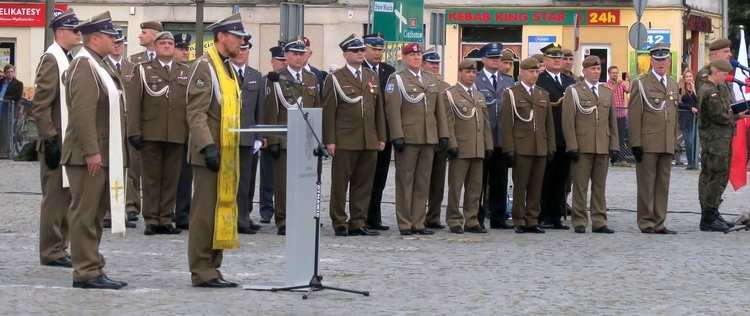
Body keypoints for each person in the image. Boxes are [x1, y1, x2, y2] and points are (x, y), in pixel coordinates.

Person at [63, 11, 128, 289]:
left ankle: (93, 265)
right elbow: (81, 113)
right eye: (110, 36)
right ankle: (85, 271)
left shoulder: (98, 64)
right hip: (87, 155)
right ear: (95, 38)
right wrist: (91, 151)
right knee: (84, 214)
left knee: (95, 214)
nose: (115, 41)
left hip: (102, 153)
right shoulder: (84, 65)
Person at [186, 12, 248, 288]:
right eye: (237, 37)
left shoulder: (228, 67)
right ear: (221, 36)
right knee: (203, 214)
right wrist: (208, 146)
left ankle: (213, 266)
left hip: (227, 152)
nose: (241, 42)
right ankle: (201, 269)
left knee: (222, 208)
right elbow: (196, 112)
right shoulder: (204, 65)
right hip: (209, 153)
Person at [322, 34, 386, 237]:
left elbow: (378, 110)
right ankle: (339, 222)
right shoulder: (335, 78)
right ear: (345, 54)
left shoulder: (371, 76)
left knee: (364, 184)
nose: (360, 53)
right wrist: (330, 140)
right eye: (355, 51)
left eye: (361, 50)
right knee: (341, 184)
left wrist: (381, 136)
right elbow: (329, 111)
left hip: (369, 138)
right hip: (345, 138)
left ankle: (358, 221)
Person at [31, 8, 81, 269]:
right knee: (54, 198)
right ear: (60, 33)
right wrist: (49, 139)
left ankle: (61, 246)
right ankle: (51, 250)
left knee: (67, 197)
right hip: (55, 139)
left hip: (67, 139)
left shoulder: (68, 57)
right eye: (74, 30)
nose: (79, 34)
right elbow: (40, 105)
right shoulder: (52, 59)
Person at [127, 31, 188, 236]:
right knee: (152, 179)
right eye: (163, 43)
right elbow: (134, 103)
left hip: (177, 132)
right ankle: (152, 219)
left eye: (171, 43)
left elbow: (190, 105)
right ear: (155, 46)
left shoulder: (184, 71)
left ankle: (166, 218)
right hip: (151, 132)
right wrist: (133, 131)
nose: (168, 46)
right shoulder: (143, 70)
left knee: (171, 179)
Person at [385, 42, 449, 236]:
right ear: (403, 58)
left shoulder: (430, 79)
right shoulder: (397, 79)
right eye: (412, 55)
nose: (416, 57)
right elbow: (393, 109)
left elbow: (440, 110)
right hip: (409, 136)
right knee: (406, 181)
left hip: (429, 137)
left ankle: (419, 222)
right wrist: (397, 135)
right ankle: (405, 223)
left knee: (423, 182)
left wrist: (443, 133)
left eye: (419, 55)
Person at [264, 39, 322, 236]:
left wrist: (317, 139)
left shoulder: (312, 78)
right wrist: (272, 139)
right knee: (283, 184)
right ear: (286, 57)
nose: (298, 57)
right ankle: (284, 220)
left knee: (307, 181)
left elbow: (316, 109)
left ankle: (304, 217)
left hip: (306, 139)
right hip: (285, 139)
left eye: (301, 53)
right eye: (294, 54)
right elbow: (271, 110)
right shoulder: (277, 78)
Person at [562, 56, 619, 234]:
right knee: (580, 185)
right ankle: (579, 220)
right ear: (584, 71)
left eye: (598, 69)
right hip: (583, 145)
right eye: (592, 69)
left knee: (600, 186)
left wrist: (614, 146)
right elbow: (568, 122)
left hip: (602, 144)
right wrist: (572, 146)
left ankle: (599, 220)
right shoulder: (574, 91)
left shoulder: (606, 92)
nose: (596, 72)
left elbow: (612, 122)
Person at [628, 43, 680, 234]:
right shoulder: (641, 84)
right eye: (657, 59)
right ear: (651, 61)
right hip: (648, 142)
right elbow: (634, 115)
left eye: (664, 59)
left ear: (669, 61)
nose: (661, 63)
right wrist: (635, 143)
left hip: (666, 141)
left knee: (663, 184)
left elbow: (673, 115)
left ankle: (660, 221)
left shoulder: (673, 84)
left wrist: (675, 141)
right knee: (646, 184)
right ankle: (646, 221)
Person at [500, 57, 556, 234]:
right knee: (521, 185)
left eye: (536, 72)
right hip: (521, 146)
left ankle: (532, 219)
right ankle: (519, 219)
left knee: (536, 186)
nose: (534, 75)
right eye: (531, 72)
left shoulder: (542, 94)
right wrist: (509, 148)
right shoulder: (511, 93)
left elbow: (549, 124)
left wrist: (551, 147)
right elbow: (506, 123)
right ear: (522, 73)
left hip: (540, 146)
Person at [443, 59, 492, 234]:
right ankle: (454, 219)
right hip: (461, 148)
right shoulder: (450, 94)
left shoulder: (478, 96)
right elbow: (448, 122)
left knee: (475, 187)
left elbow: (485, 123)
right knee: (456, 187)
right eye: (468, 72)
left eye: (474, 73)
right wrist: (451, 144)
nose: (472, 75)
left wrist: (488, 145)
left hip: (478, 147)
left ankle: (471, 220)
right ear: (460, 73)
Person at [697, 59, 746, 232]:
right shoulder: (710, 91)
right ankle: (709, 216)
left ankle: (712, 212)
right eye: (724, 75)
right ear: (716, 72)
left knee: (717, 175)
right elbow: (719, 117)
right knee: (717, 176)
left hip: (719, 139)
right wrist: (739, 116)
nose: (725, 78)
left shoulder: (713, 89)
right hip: (715, 140)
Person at [475, 43, 514, 229]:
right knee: (479, 181)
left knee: (500, 179)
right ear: (483, 60)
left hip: (500, 138)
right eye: (492, 58)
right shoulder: (476, 79)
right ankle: (477, 217)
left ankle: (498, 217)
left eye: (498, 58)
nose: (496, 61)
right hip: (482, 137)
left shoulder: (508, 81)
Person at [536, 43, 574, 230]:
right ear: (544, 61)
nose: (558, 60)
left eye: (560, 58)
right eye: (553, 58)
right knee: (545, 177)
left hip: (565, 137)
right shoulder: (539, 81)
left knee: (561, 178)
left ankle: (557, 215)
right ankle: (542, 214)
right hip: (546, 136)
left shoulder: (569, 83)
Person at [103, 28, 138, 229]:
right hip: (108, 124)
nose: (117, 45)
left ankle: (123, 209)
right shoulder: (100, 65)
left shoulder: (132, 67)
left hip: (127, 124)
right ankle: (107, 212)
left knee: (128, 168)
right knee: (108, 168)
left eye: (120, 42)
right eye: (114, 42)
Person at [231, 35, 264, 235]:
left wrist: (259, 136)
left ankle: (244, 216)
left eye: (245, 49)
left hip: (248, 136)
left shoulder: (255, 75)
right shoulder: (224, 72)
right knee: (230, 179)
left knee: (247, 180)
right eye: (239, 49)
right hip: (228, 134)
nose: (241, 53)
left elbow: (259, 108)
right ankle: (232, 217)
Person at [362, 32, 396, 231]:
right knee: (365, 176)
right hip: (366, 130)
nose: (377, 53)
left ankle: (374, 216)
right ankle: (361, 215)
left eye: (380, 49)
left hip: (385, 131)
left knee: (380, 176)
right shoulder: (360, 69)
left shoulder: (388, 70)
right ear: (365, 50)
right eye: (373, 49)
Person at [421, 47, 451, 230]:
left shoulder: (446, 87)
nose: (435, 67)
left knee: (438, 181)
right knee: (422, 179)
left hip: (441, 137)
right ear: (423, 64)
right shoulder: (419, 83)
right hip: (424, 137)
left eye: (437, 64)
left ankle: (433, 216)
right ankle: (418, 215)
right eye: (431, 63)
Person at [258, 45, 286, 225]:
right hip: (268, 133)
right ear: (272, 62)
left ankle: (282, 207)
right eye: (280, 61)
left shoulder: (290, 81)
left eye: (285, 60)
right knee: (267, 175)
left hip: (286, 135)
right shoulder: (265, 81)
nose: (283, 64)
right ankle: (266, 209)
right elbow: (262, 109)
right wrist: (263, 134)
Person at [173, 32, 192, 230]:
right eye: (181, 48)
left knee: (186, 178)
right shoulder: (168, 72)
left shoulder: (191, 72)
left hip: (187, 132)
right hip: (171, 130)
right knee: (170, 177)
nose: (185, 52)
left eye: (187, 48)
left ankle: (183, 214)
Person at [602, 65, 630, 164]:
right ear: (609, 74)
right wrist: (617, 85)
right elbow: (609, 94)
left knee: (621, 138)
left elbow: (628, 91)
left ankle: (621, 158)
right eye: (613, 73)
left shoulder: (622, 84)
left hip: (621, 114)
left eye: (616, 73)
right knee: (611, 137)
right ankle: (611, 157)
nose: (615, 74)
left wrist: (629, 81)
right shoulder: (605, 85)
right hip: (611, 115)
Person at [678, 69, 699, 170]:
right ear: (684, 78)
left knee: (696, 140)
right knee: (689, 140)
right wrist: (689, 107)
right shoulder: (681, 89)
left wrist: (694, 89)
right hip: (685, 118)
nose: (689, 78)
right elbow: (678, 103)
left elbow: (699, 100)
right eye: (687, 77)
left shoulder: (696, 88)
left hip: (696, 118)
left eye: (690, 76)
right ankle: (690, 162)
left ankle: (695, 161)